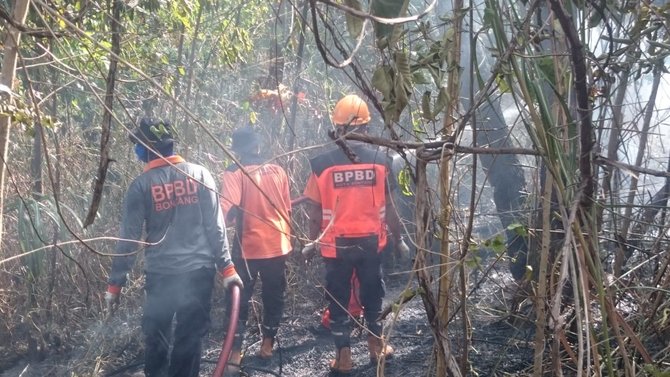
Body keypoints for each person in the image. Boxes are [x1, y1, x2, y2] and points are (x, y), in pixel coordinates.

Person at [104, 118, 243, 377]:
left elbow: (129, 240)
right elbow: (216, 227)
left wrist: (115, 285)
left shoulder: (140, 186)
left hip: (161, 276)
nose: (136, 151)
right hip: (199, 273)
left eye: (138, 146)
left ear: (147, 148)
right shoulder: (201, 174)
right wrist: (227, 268)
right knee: (189, 340)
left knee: (156, 338)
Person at [302, 94, 409, 373]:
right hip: (372, 242)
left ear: (337, 128)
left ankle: (344, 358)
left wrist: (312, 243)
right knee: (373, 295)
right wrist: (398, 240)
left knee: (338, 298)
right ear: (366, 128)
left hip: (335, 245)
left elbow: (315, 213)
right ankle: (376, 348)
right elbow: (392, 209)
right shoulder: (381, 160)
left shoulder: (321, 164)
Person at [219, 126, 292, 374]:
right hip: (279, 245)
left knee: (237, 299)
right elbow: (287, 210)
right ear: (258, 146)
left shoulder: (234, 173)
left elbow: (226, 212)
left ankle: (236, 353)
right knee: (274, 296)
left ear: (237, 151)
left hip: (248, 249)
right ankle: (267, 345)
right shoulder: (279, 169)